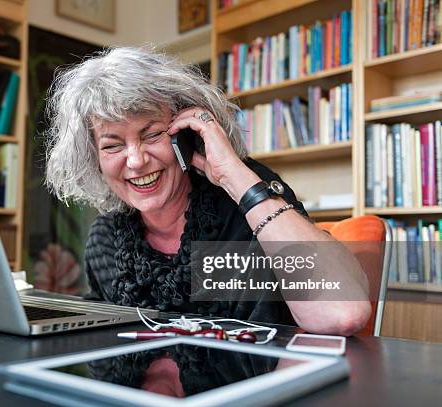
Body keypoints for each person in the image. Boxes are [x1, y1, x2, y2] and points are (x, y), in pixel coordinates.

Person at [45, 47, 371, 336]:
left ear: (186, 133)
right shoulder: (105, 241)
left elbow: (343, 314)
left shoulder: (246, 202)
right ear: (94, 157)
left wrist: (235, 176)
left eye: (152, 134)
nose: (136, 160)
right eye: (112, 145)